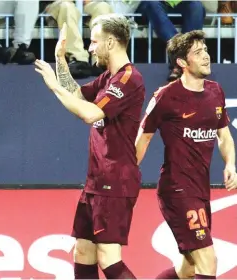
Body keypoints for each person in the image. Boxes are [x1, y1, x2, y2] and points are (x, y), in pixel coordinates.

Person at [34, 14, 145, 279]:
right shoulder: (109, 77)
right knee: (83, 251)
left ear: (110, 42)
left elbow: (90, 114)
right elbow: (76, 96)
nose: (90, 48)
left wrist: (52, 86)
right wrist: (61, 61)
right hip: (97, 180)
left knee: (108, 257)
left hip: (115, 179)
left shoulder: (128, 79)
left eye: (94, 42)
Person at [135, 30, 237, 280]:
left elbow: (224, 135)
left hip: (201, 190)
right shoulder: (165, 96)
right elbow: (142, 140)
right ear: (182, 63)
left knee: (188, 267)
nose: (206, 56)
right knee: (208, 261)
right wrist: (123, 180)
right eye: (198, 52)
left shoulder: (215, 92)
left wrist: (231, 164)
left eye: (205, 50)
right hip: (177, 189)